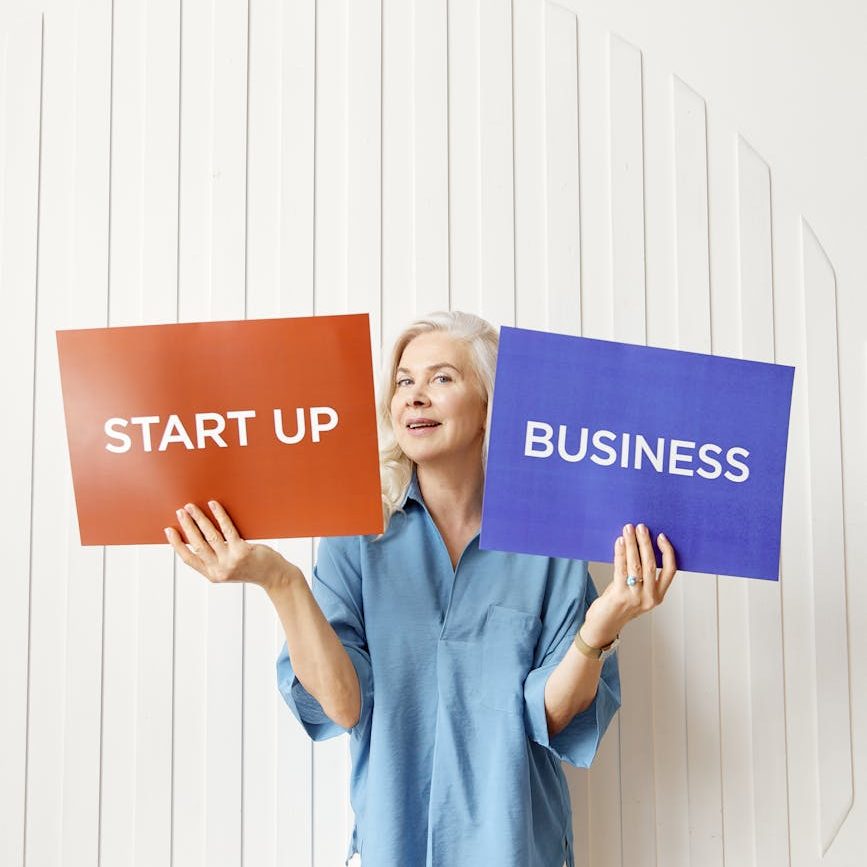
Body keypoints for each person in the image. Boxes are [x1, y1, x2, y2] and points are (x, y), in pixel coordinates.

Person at [165, 311, 678, 867]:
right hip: (392, 845)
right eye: (404, 381)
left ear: (489, 407)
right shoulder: (358, 537)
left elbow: (551, 716)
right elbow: (342, 704)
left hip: (516, 850)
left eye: (442, 378)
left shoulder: (547, 546)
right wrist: (279, 579)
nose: (415, 396)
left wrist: (600, 628)